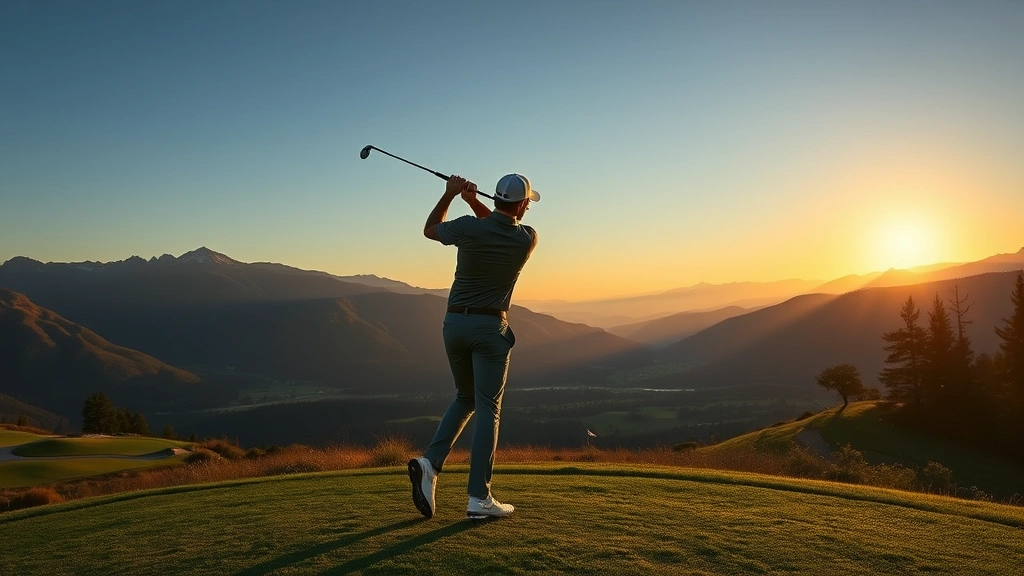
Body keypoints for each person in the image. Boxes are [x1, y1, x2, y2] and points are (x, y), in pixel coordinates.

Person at [408, 172, 540, 520]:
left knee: (464, 397)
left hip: (453, 324)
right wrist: (471, 200)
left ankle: (430, 464)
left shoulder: (468, 227)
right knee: (487, 409)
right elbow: (499, 226)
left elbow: (431, 229)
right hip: (489, 328)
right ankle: (479, 498)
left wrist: (450, 195)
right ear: (523, 204)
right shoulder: (527, 238)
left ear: (496, 199)